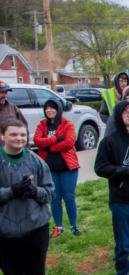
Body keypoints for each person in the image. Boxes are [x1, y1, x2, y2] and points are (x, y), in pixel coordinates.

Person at [0, 119, 55, 275]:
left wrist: (35, 192)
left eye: (23, 135)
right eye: (13, 134)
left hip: (35, 226)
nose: (19, 139)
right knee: (11, 273)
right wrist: (10, 191)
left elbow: (50, 192)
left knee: (35, 270)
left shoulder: (37, 162)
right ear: (3, 136)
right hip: (5, 229)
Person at [94, 101, 129, 275]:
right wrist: (124, 170)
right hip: (121, 199)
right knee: (123, 243)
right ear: (117, 115)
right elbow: (100, 168)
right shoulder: (109, 141)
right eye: (125, 112)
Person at [33, 99, 82, 237]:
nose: (49, 110)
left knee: (69, 197)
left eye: (52, 108)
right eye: (47, 108)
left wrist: (50, 147)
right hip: (49, 169)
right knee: (54, 198)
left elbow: (69, 142)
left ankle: (73, 226)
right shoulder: (42, 125)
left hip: (68, 168)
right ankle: (58, 227)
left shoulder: (67, 124)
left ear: (58, 109)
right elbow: (37, 141)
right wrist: (56, 139)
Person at [0, 80, 27, 148]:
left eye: (5, 92)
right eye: (1, 92)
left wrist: (26, 147)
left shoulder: (12, 107)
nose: (4, 95)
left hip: (10, 150)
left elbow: (23, 127)